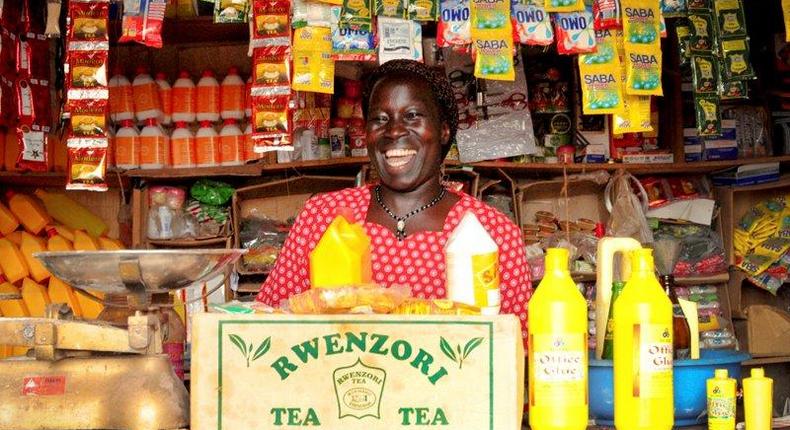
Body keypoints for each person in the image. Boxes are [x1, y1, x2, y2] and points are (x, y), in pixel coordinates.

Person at [257, 59, 532, 345]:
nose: (394, 132)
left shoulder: (494, 232)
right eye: (380, 119)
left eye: (412, 116)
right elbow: (267, 326)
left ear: (444, 131)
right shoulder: (323, 218)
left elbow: (514, 352)